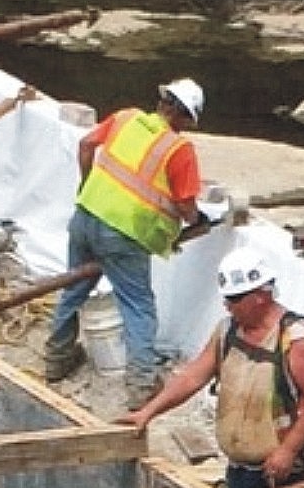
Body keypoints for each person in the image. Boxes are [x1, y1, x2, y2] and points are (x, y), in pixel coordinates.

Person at [45, 78, 205, 401]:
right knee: (138, 307)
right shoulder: (179, 149)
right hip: (124, 234)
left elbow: (86, 145)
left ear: (163, 102)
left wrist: (88, 186)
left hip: (86, 214)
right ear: (184, 116)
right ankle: (141, 387)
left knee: (74, 288)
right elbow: (187, 206)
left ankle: (56, 360)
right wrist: (197, 220)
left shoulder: (126, 117)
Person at [124, 252, 304, 488]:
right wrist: (148, 412)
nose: (227, 306)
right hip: (240, 468)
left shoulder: (296, 340)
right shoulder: (227, 332)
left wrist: (287, 451)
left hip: (283, 472)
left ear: (260, 296)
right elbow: (192, 377)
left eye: (234, 299)